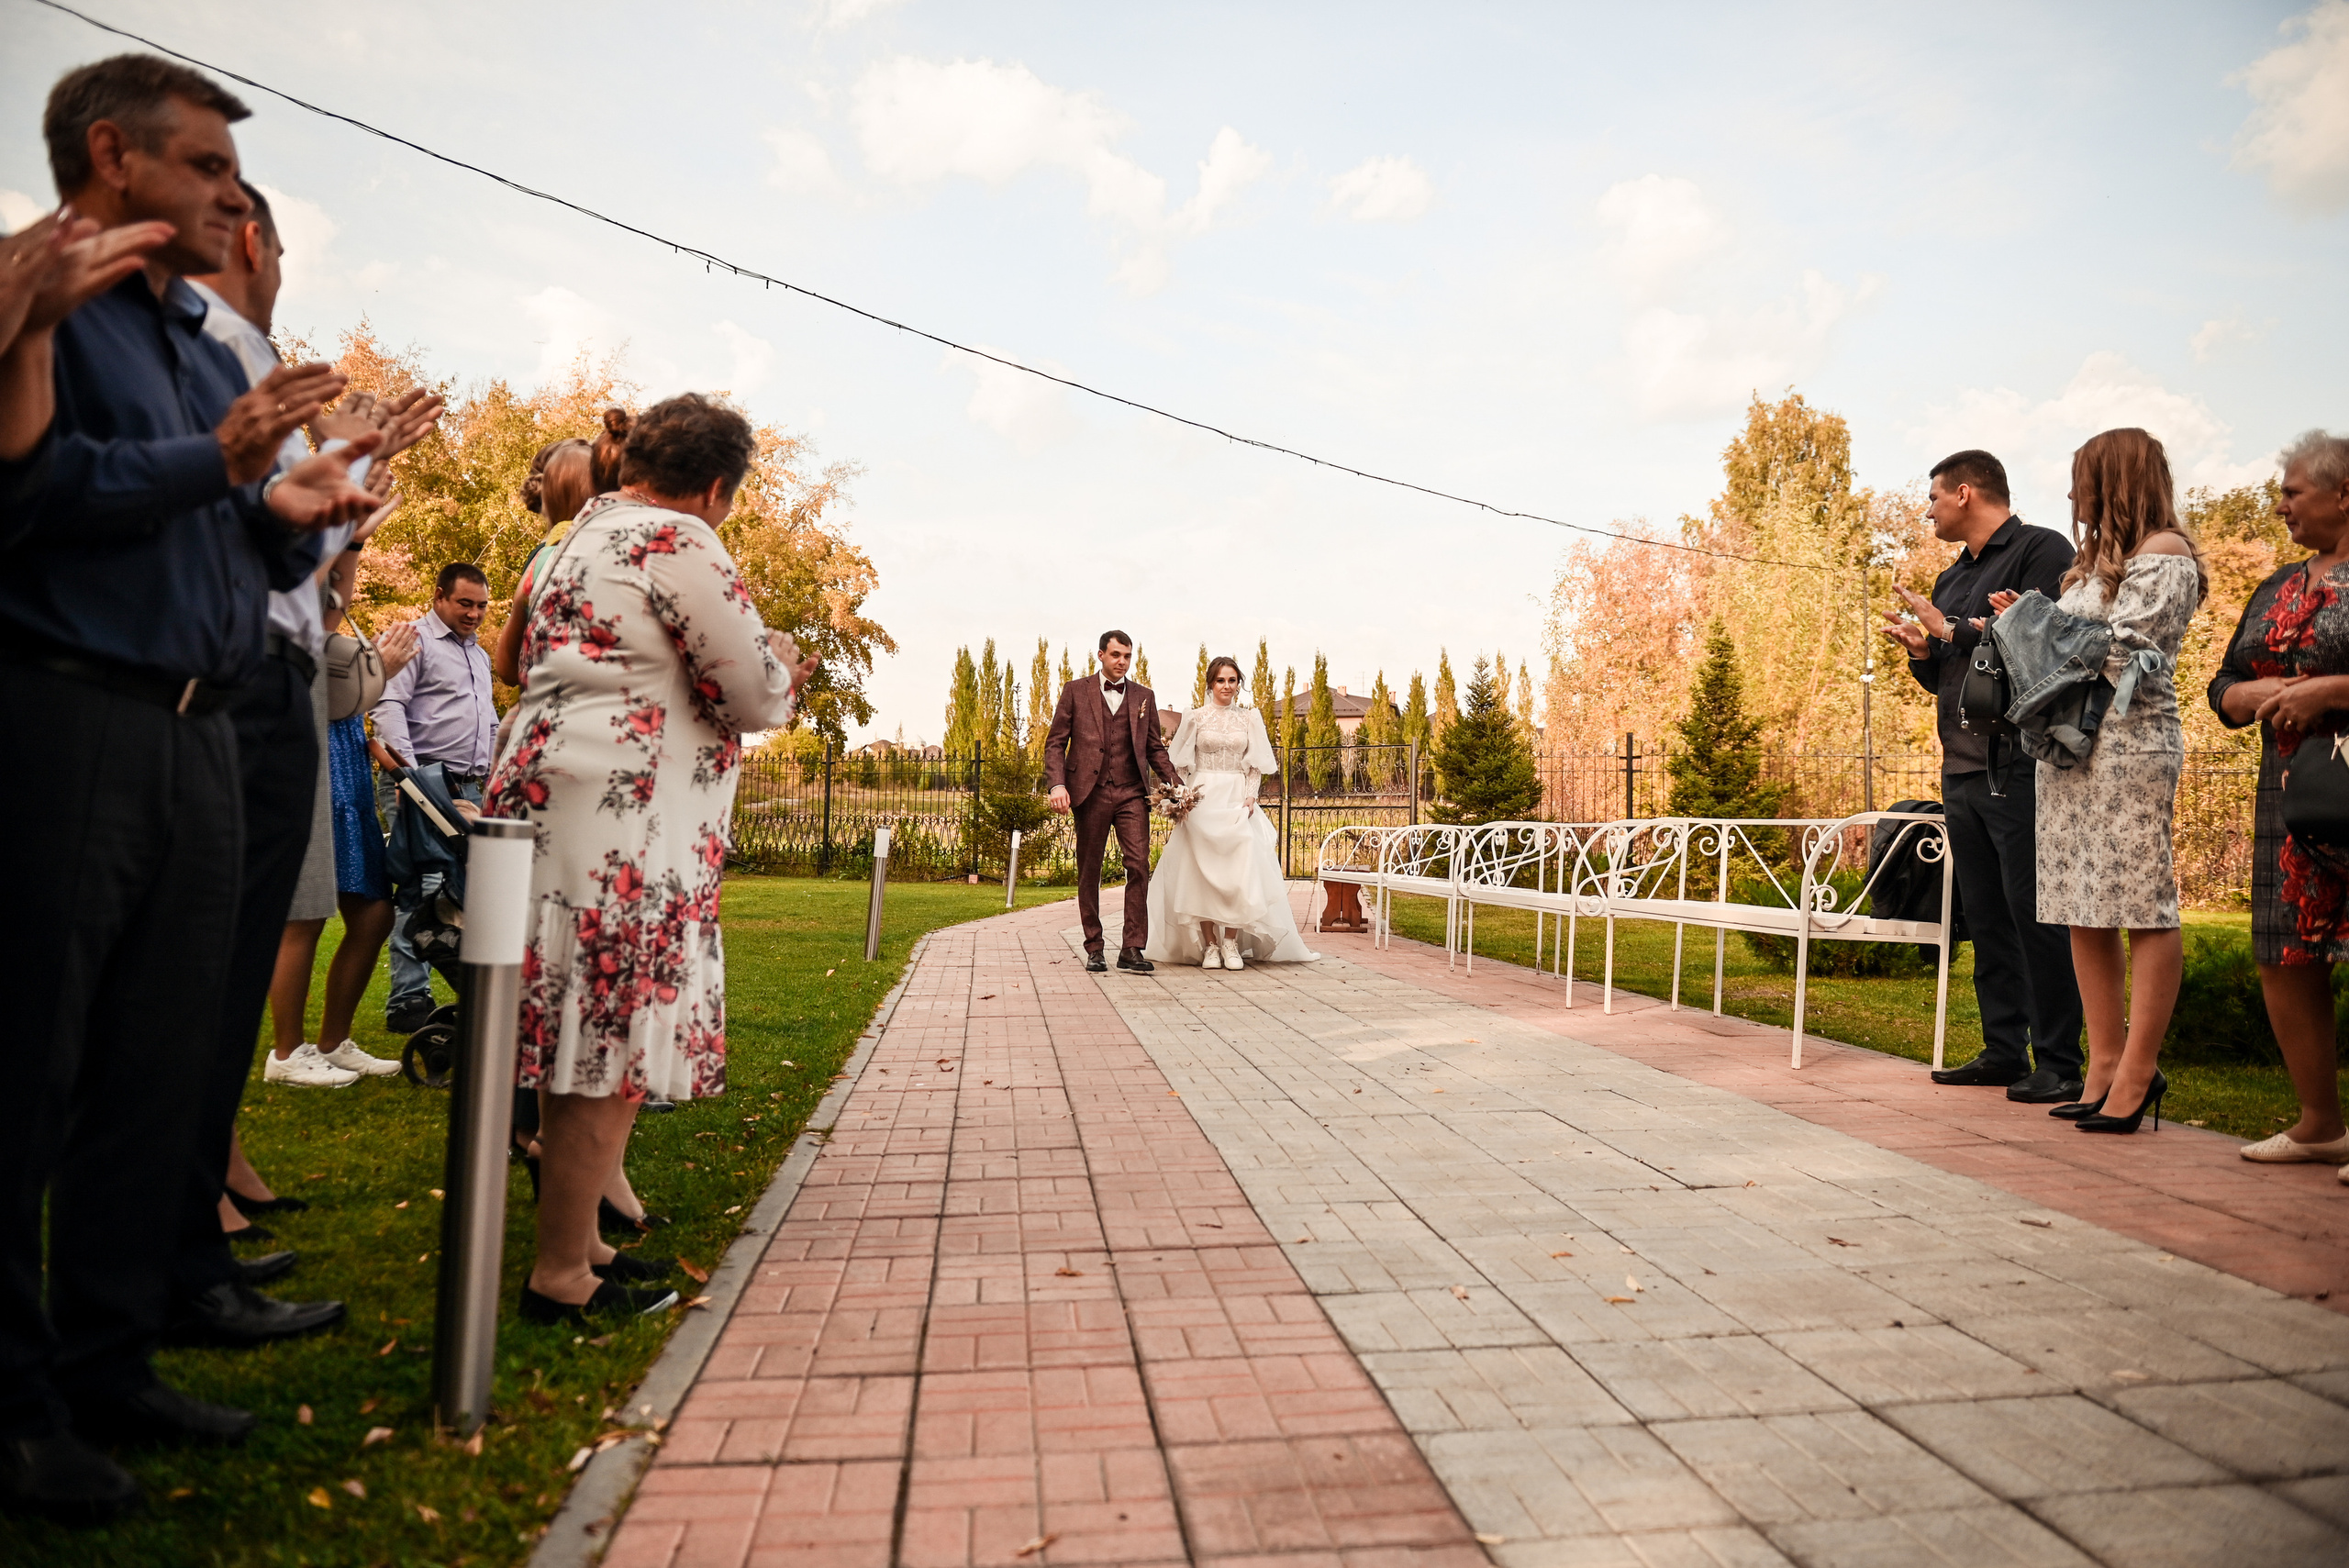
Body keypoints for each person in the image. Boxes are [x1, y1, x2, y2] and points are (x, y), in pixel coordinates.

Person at [0, 53, 377, 1520]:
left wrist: (297, 510)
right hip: (73, 712)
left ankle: (112, 1358)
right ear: (114, 156)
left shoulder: (209, 355)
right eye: (209, 168)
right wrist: (210, 464)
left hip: (206, 729)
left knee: (162, 1067)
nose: (234, 196)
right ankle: (16, 1411)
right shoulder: (49, 313)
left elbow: (242, 545)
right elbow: (37, 498)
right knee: (36, 1071)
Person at [484, 392, 817, 1322]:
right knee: (607, 1030)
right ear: (715, 488)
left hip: (550, 798)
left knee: (573, 1029)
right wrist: (782, 656)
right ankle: (560, 1273)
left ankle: (581, 1243)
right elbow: (747, 691)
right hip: (622, 824)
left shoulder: (581, 533)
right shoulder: (680, 540)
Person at [1990, 430, 2205, 1134]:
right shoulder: (2088, 564)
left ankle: (2141, 1067)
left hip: (2131, 741)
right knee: (2081, 899)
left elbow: (2123, 648)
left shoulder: (2165, 555)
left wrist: (2032, 622)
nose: (2072, 493)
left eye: (2082, 478)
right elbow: (2067, 642)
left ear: (2116, 479)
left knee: (2140, 898)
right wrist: (2026, 622)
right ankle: (2104, 1061)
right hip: (2069, 745)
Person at [1882, 450, 2086, 1103]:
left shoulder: (2040, 550)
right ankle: (2004, 1048)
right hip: (1960, 767)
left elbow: (2051, 642)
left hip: (2019, 763)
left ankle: (2059, 1058)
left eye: (1935, 497)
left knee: (2036, 915)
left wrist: (1963, 628)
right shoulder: (1950, 576)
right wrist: (1925, 649)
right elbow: (1952, 667)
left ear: (1966, 493)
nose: (1930, 510)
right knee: (1987, 916)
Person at [2210, 429, 2349, 1176]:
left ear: (2345, 493)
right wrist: (2244, 695)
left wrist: (2331, 690)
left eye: (2294, 490)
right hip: (2292, 798)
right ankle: (2320, 1123)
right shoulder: (2275, 587)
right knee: (2287, 953)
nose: (2281, 503)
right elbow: (2221, 680)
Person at [374, 562, 498, 1031]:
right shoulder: (414, 641)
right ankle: (408, 1003)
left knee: (462, 896)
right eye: (465, 603)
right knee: (422, 892)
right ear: (439, 596)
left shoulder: (480, 656)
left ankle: (465, 993)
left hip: (468, 786)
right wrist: (409, 778)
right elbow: (387, 705)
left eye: (482, 605)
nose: (474, 614)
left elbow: (486, 720)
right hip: (422, 783)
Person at [1145, 656, 1320, 968]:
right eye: (1221, 680)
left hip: (1237, 799)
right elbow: (1181, 764)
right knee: (1199, 872)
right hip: (1202, 799)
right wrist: (1181, 797)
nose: (1227, 686)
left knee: (1240, 870)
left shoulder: (1249, 718)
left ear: (1239, 684)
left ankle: (1231, 943)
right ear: (1211, 683)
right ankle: (1210, 945)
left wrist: (1251, 798)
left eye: (1232, 680)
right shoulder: (1194, 717)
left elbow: (1255, 765)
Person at [1046, 630, 1181, 973]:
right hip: (1089, 792)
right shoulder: (1075, 691)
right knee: (1089, 870)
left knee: (1138, 866)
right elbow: (1055, 743)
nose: (1122, 662)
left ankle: (1132, 948)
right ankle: (1094, 946)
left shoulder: (1143, 697)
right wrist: (1057, 784)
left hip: (1132, 792)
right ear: (1101, 655)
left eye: (1127, 656)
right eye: (1116, 655)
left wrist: (1177, 787)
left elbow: (1154, 748)